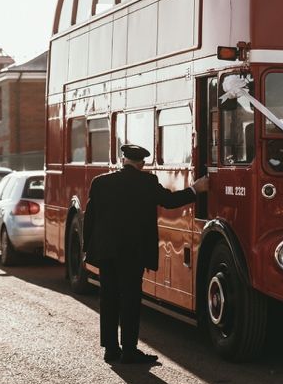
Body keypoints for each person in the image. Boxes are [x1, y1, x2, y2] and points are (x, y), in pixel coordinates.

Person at [83, 144, 208, 365]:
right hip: (133, 253)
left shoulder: (100, 182)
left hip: (107, 252)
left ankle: (111, 349)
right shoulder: (147, 182)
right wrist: (195, 189)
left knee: (109, 298)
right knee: (130, 299)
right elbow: (170, 202)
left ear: (123, 160)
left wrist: (88, 249)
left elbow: (89, 219)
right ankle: (129, 351)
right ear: (141, 163)